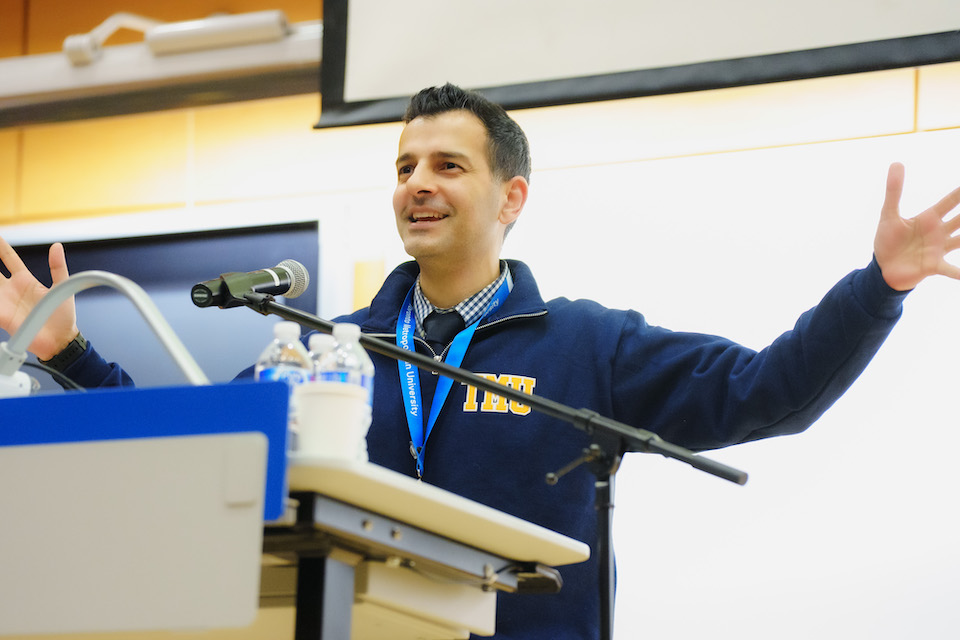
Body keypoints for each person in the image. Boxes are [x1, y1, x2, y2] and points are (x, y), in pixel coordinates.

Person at [2, 83, 960, 640]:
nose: (418, 184)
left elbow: (768, 392)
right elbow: (199, 449)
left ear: (512, 198)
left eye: (447, 166)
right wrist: (70, 353)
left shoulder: (589, 344)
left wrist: (879, 285)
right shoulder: (331, 349)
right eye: (405, 167)